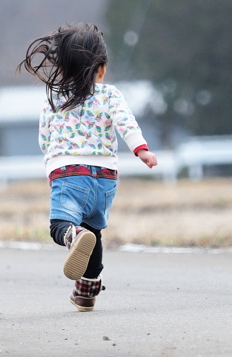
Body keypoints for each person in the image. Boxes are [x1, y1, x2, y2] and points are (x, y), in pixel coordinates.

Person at [18, 22, 158, 311]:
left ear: (63, 68)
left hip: (69, 175)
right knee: (94, 233)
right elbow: (125, 123)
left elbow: (45, 139)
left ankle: (73, 236)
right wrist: (141, 150)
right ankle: (86, 290)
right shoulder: (110, 94)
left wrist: (52, 167)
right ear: (102, 69)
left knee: (62, 225)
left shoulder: (54, 99)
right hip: (105, 180)